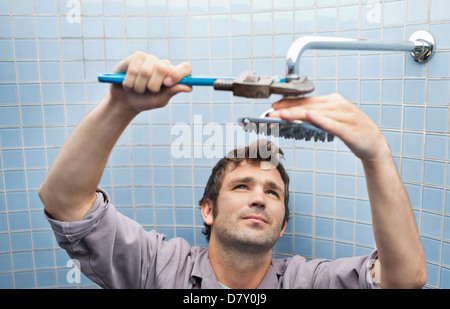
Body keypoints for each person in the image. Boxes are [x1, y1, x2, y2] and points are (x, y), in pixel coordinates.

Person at [39, 52, 426, 289]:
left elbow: (404, 280)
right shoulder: (156, 269)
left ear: (283, 224)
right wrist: (119, 107)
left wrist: (375, 154)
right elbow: (65, 201)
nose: (259, 197)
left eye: (272, 193)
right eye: (242, 186)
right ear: (208, 209)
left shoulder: (307, 282)